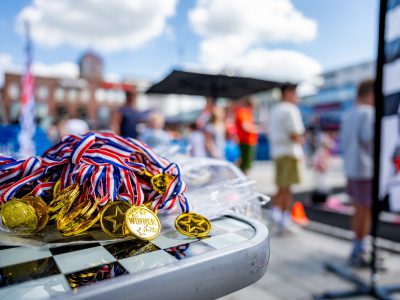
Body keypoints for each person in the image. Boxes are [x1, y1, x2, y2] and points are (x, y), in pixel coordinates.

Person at [340, 79, 375, 267]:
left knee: (357, 209)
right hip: (365, 169)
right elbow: (370, 140)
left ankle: (358, 245)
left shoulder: (348, 114)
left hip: (352, 168)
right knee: (365, 210)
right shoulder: (368, 113)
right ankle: (361, 248)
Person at [269, 83, 305, 231]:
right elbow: (295, 133)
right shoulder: (290, 109)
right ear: (288, 93)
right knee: (287, 188)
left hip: (278, 153)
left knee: (281, 187)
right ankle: (284, 218)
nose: (296, 97)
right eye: (294, 93)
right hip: (289, 153)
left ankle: (275, 214)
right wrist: (303, 145)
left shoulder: (275, 109)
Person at [235, 97, 258, 173]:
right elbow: (245, 126)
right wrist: (256, 129)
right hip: (245, 142)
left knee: (245, 164)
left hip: (248, 142)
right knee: (245, 165)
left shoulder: (248, 113)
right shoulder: (243, 112)